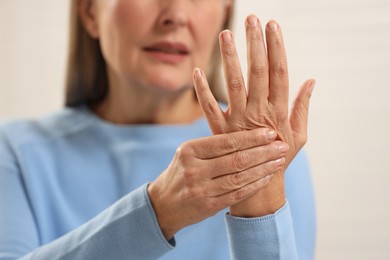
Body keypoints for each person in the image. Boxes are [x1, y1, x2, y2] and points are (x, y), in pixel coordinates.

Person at [0, 0, 316, 259]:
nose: (175, 15)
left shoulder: (272, 150)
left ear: (224, 12)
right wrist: (160, 209)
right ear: (89, 12)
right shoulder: (16, 152)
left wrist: (258, 213)